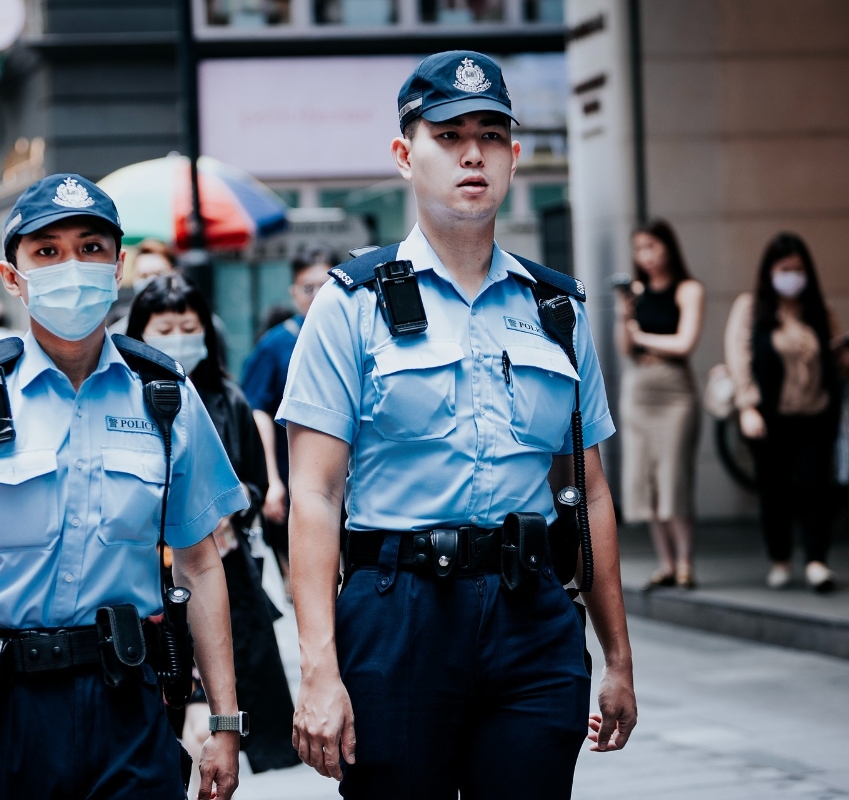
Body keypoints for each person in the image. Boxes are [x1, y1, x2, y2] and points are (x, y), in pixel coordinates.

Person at [278, 52, 637, 799]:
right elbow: (315, 494)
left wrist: (619, 659)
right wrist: (318, 669)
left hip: (531, 613)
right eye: (448, 136)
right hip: (397, 611)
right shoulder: (353, 303)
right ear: (405, 155)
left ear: (513, 155)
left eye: (491, 135)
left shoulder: (556, 309)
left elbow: (589, 490)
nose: (473, 154)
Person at [0, 174, 247, 800]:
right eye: (47, 251)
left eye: (91, 248)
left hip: (128, 704)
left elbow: (200, 565)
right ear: (11, 277)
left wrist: (225, 723)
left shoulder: (164, 395)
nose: (72, 266)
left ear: (118, 267)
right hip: (0, 705)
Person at [127, 273, 298, 774]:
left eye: (189, 327)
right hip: (145, 574)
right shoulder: (122, 396)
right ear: (139, 333)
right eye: (165, 329)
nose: (179, 339)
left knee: (229, 687)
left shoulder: (227, 398)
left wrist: (227, 506)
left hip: (220, 564)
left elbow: (252, 483)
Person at [725, 233, 845, 592]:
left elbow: (836, 362)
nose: (792, 276)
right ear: (770, 271)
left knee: (816, 488)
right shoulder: (750, 307)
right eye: (784, 269)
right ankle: (780, 558)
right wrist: (748, 406)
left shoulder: (820, 311)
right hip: (770, 417)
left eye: (798, 269)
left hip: (816, 413)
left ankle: (816, 561)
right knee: (774, 490)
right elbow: (739, 356)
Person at [615, 220, 704, 589]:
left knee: (673, 478)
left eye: (652, 246)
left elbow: (684, 343)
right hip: (639, 390)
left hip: (674, 392)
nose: (646, 256)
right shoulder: (636, 293)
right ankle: (666, 564)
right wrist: (624, 312)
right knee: (645, 482)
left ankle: (685, 564)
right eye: (639, 249)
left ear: (668, 247)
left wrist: (642, 335)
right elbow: (625, 348)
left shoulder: (688, 289)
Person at [240, 250, 335, 587]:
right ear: (294, 293)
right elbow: (257, 410)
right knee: (303, 572)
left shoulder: (356, 336)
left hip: (345, 477)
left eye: (326, 286)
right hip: (291, 474)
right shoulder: (275, 345)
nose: (318, 296)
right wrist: (272, 482)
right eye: (308, 288)